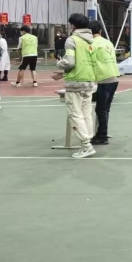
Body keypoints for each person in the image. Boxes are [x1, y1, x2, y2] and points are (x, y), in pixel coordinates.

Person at [54, 14, 96, 158]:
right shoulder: (90, 41)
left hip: (75, 81)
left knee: (75, 114)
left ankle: (86, 145)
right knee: (86, 114)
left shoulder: (72, 40)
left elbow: (70, 62)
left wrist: (59, 63)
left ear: (73, 25)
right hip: (89, 80)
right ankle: (88, 140)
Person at [89, 21, 120, 145]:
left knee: (101, 109)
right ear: (100, 31)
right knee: (105, 109)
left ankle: (102, 136)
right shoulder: (108, 42)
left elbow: (90, 62)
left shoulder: (91, 44)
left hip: (103, 78)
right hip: (114, 76)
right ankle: (102, 132)